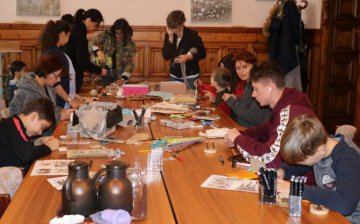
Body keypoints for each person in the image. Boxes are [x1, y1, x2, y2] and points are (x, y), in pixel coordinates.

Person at [224, 61, 315, 168]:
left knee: (233, 167)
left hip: (294, 180)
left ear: (270, 86)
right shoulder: (282, 105)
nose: (253, 94)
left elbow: (269, 161)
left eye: (256, 89)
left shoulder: (290, 111)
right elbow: (265, 130)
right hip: (279, 170)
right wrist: (240, 135)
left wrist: (238, 139)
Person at [277, 114, 360, 223]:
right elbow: (301, 166)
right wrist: (283, 171)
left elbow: (345, 205)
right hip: (330, 213)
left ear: (320, 150)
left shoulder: (348, 159)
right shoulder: (320, 146)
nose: (299, 163)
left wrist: (299, 189)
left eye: (302, 160)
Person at [9, 53, 73, 125]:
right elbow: (36, 123)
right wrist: (62, 115)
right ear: (46, 72)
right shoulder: (29, 92)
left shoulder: (46, 86)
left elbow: (50, 109)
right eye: (57, 76)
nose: (58, 80)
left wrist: (64, 111)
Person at [0, 98, 59, 172]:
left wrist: (38, 142)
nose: (40, 133)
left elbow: (22, 147)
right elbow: (26, 155)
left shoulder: (17, 125)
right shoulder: (10, 126)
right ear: (34, 116)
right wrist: (48, 147)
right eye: (42, 127)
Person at [39, 20, 83, 109]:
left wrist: (73, 94)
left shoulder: (56, 51)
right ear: (62, 34)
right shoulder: (54, 53)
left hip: (64, 98)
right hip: (60, 101)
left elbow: (65, 79)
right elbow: (55, 82)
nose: (69, 38)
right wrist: (69, 100)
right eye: (68, 36)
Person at [222, 51, 271, 127]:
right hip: (243, 128)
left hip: (254, 132)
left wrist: (232, 101)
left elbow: (254, 116)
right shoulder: (249, 83)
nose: (241, 71)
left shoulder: (259, 85)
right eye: (238, 68)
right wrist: (237, 98)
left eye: (245, 67)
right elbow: (247, 102)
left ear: (254, 66)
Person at [64, 9, 107, 92]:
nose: (95, 28)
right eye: (96, 25)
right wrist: (101, 71)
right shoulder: (78, 32)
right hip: (71, 76)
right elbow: (82, 61)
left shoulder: (78, 30)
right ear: (88, 20)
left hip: (71, 74)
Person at [162, 10, 206, 89]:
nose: (173, 30)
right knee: (173, 100)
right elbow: (166, 55)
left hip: (191, 77)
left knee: (191, 100)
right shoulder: (169, 34)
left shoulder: (192, 34)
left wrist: (188, 57)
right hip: (174, 77)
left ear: (181, 24)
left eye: (175, 28)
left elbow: (203, 53)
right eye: (171, 28)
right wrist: (170, 38)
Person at [89, 18, 136, 86]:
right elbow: (91, 43)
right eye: (116, 33)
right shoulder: (107, 34)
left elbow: (129, 64)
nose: (118, 36)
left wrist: (123, 78)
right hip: (102, 73)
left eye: (121, 34)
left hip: (118, 75)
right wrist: (98, 51)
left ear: (126, 32)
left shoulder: (130, 44)